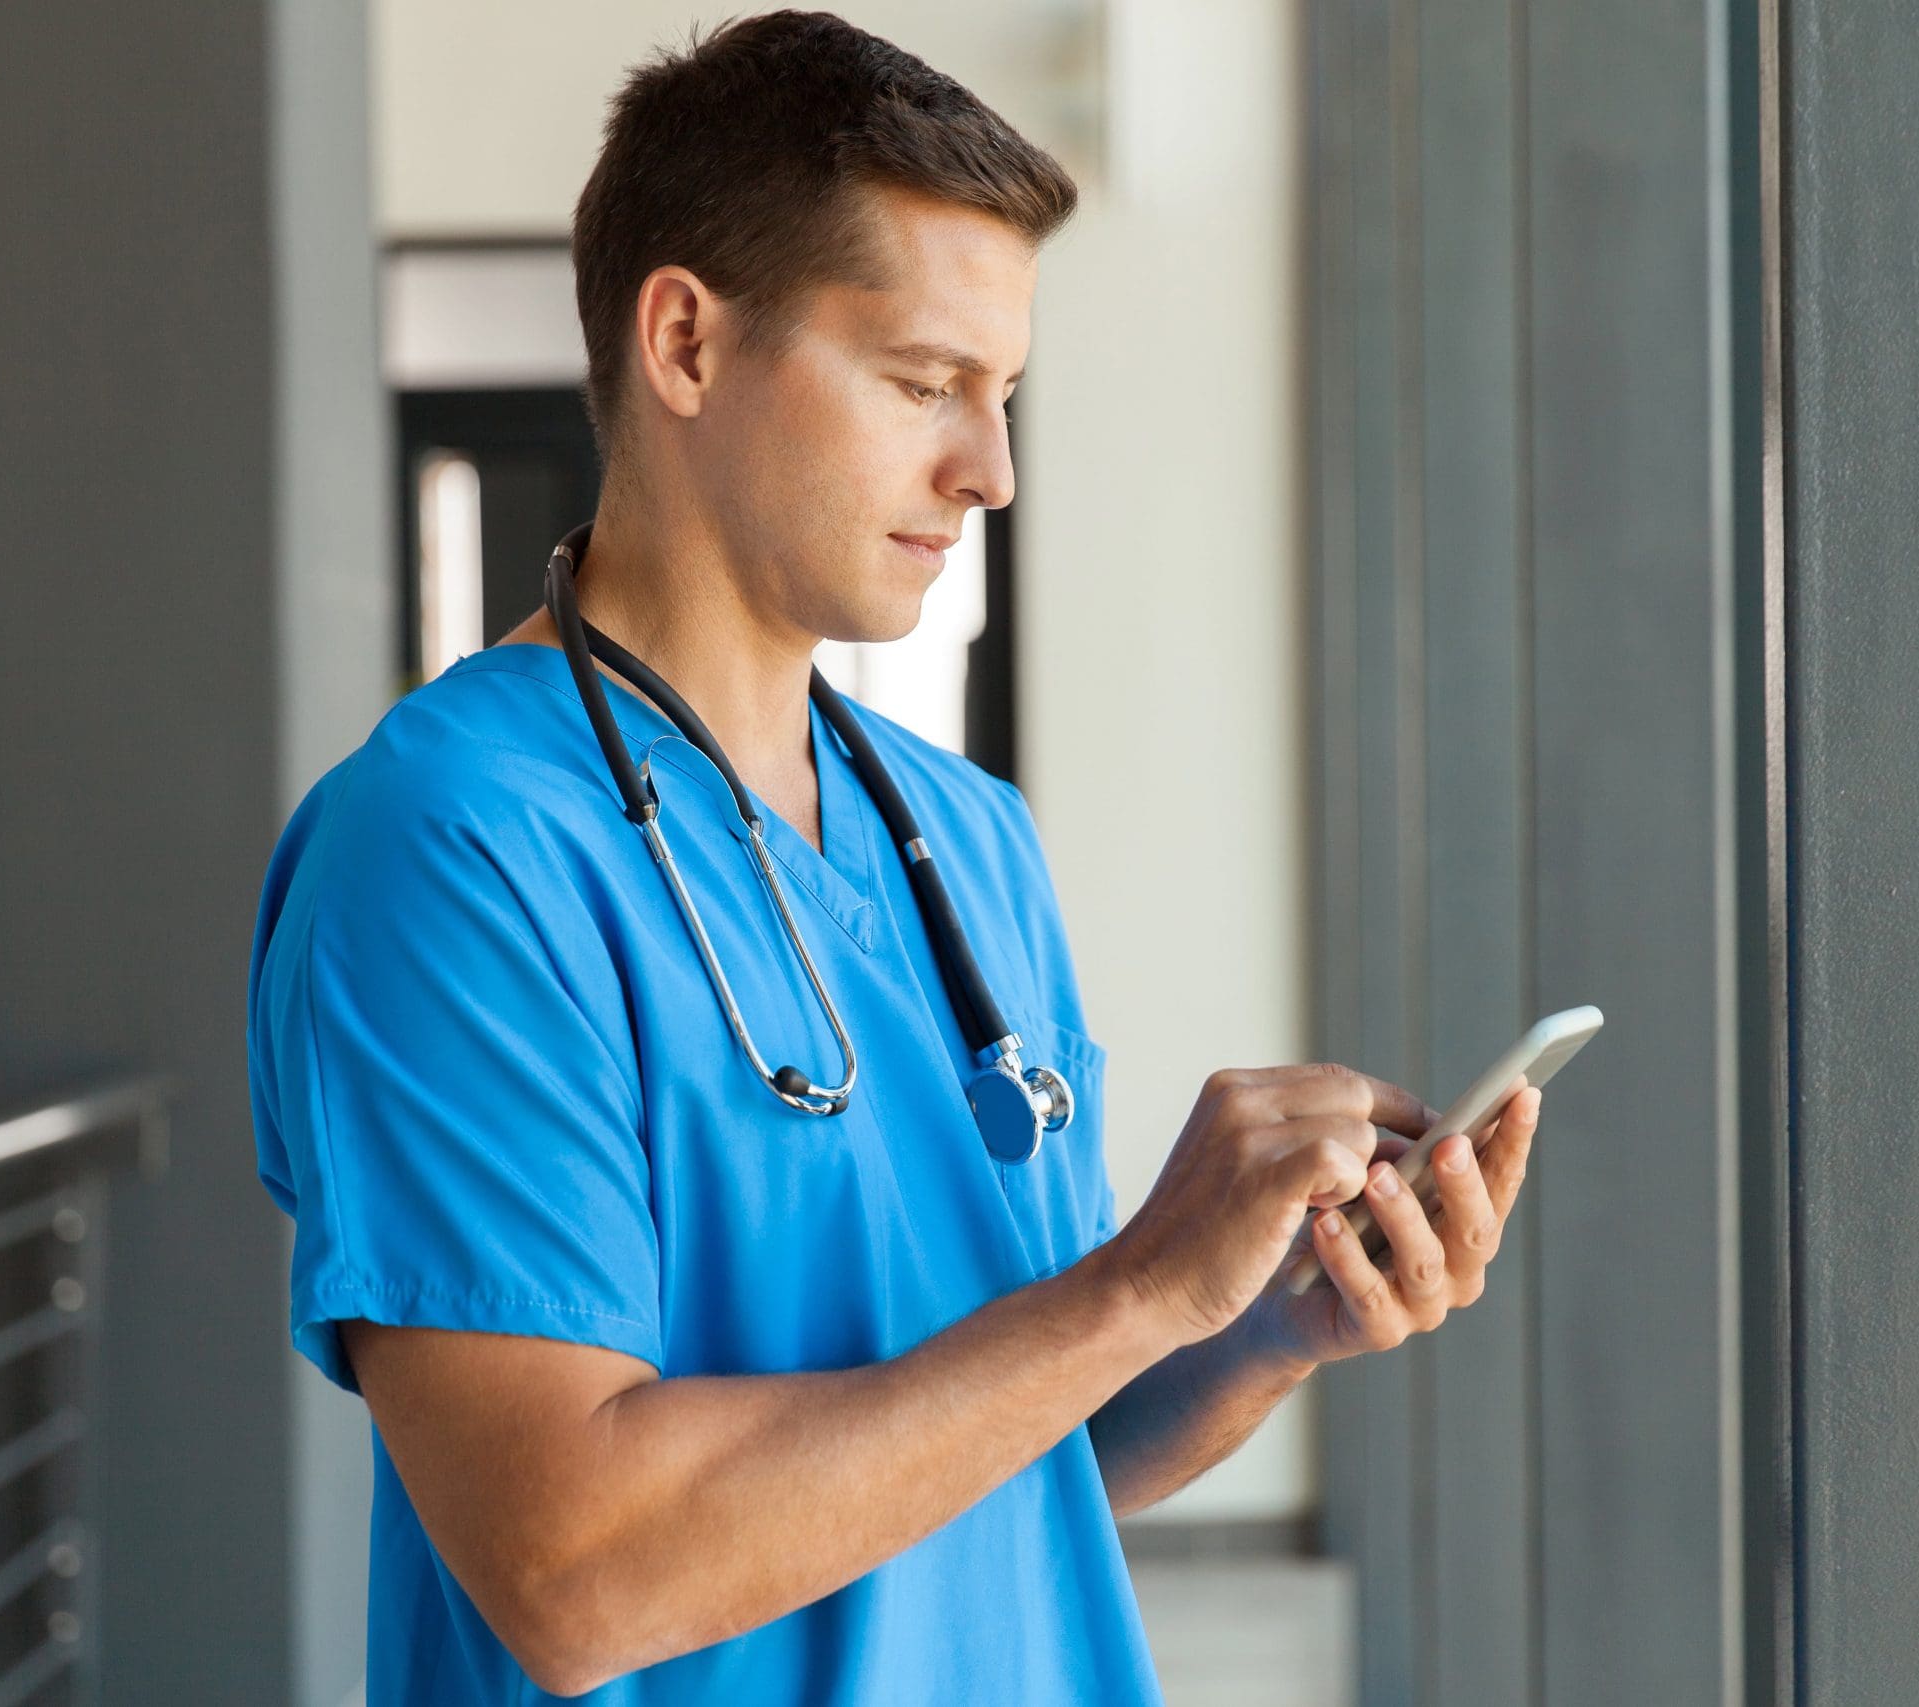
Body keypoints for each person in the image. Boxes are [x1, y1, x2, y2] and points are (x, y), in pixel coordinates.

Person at [245, 10, 1541, 1702]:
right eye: (926, 383)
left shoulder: (968, 844)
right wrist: (1137, 1285)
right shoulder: (452, 853)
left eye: (1002, 398)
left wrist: (1269, 1320)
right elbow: (573, 1570)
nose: (988, 470)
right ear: (688, 343)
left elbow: (1025, 1452)